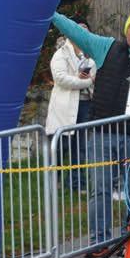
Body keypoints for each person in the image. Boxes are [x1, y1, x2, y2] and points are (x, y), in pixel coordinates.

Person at [50, 8, 130, 251]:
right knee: (100, 189)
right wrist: (51, 14)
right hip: (103, 132)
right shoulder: (106, 47)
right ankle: (100, 242)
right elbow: (75, 31)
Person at [47, 23, 94, 191]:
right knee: (61, 145)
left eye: (85, 31)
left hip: (85, 104)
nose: (81, 33)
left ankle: (77, 183)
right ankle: (53, 181)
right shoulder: (60, 54)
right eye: (78, 29)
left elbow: (96, 75)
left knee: (80, 147)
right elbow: (61, 79)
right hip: (64, 106)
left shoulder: (90, 54)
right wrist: (85, 81)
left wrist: (87, 80)